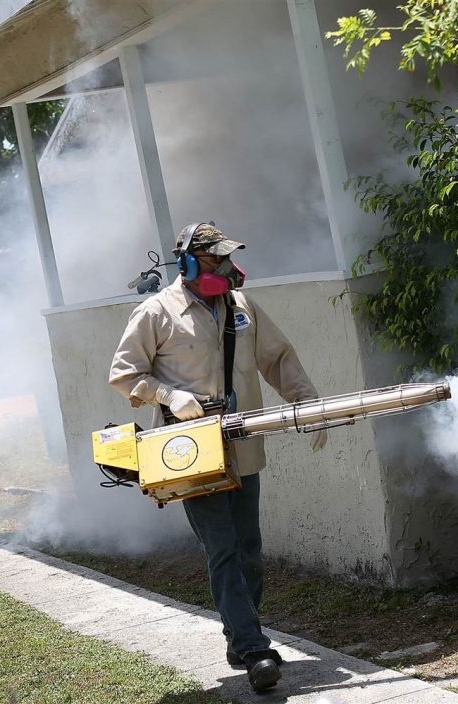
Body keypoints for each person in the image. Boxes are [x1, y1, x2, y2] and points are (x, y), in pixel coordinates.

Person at [108, 222, 327, 693]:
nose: (225, 268)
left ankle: (237, 637)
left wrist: (306, 404)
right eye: (214, 260)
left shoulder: (242, 307)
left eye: (227, 259)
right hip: (187, 450)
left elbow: (279, 358)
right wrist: (167, 395)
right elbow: (124, 374)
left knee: (249, 548)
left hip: (243, 442)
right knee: (222, 547)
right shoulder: (155, 313)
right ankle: (253, 649)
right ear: (186, 262)